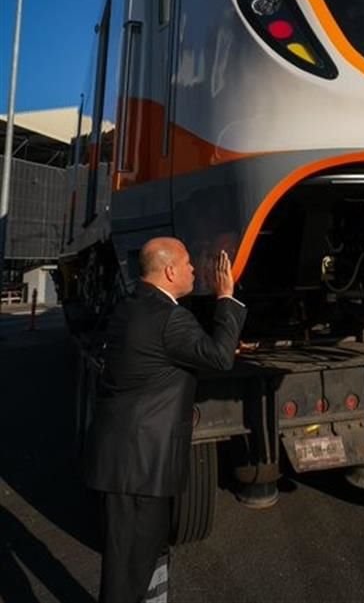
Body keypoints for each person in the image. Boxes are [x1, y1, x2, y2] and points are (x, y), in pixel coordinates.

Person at [84, 237, 246, 603]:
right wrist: (225, 296)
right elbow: (220, 357)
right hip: (140, 467)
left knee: (141, 560)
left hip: (128, 461)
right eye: (187, 263)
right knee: (129, 573)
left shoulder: (131, 307)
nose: (193, 269)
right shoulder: (170, 319)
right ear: (170, 271)